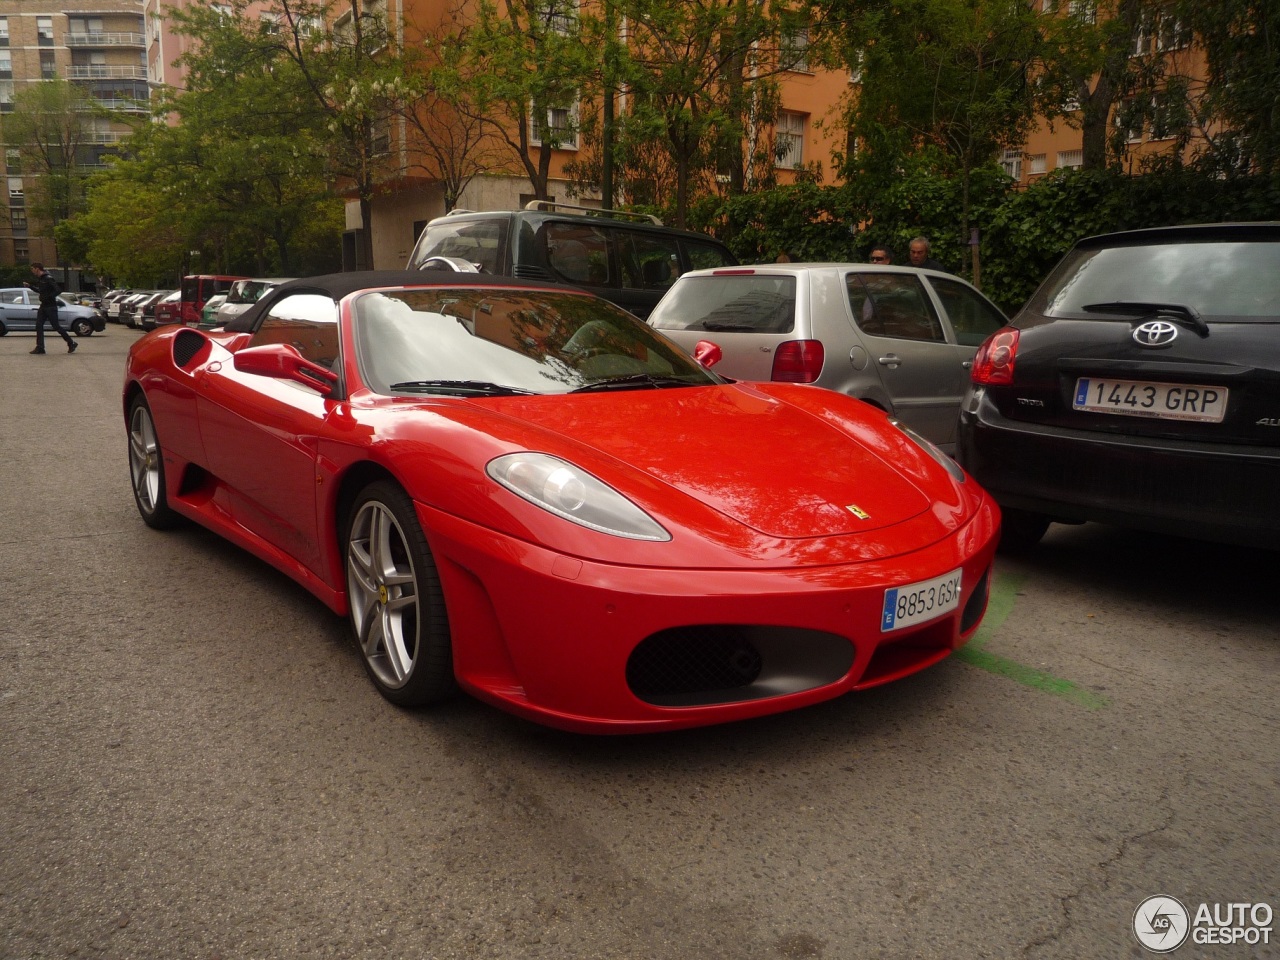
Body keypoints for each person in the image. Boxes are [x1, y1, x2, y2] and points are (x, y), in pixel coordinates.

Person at [26, 263, 76, 355]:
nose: (32, 271)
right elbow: (40, 291)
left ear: (37, 269)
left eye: (33, 269)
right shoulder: (41, 279)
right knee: (39, 325)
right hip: (43, 306)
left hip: (50, 306)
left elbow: (58, 290)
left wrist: (49, 297)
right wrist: (30, 286)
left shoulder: (48, 278)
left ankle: (71, 342)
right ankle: (40, 347)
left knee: (56, 326)